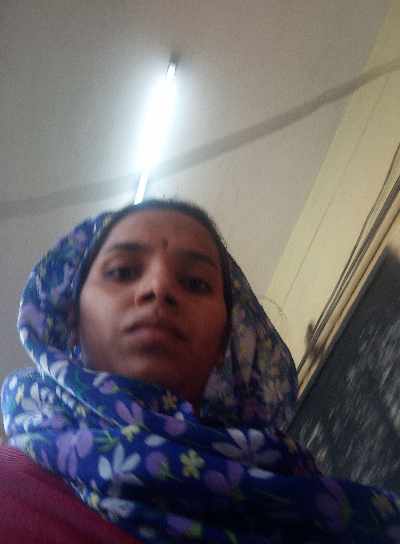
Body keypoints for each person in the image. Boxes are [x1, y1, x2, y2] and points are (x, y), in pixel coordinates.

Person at [1, 198, 399, 543]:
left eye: (195, 283)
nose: (158, 288)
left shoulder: (307, 492)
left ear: (225, 342)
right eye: (122, 271)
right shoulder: (11, 491)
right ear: (71, 320)